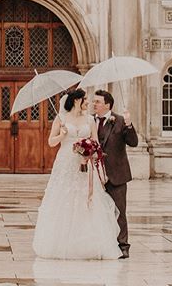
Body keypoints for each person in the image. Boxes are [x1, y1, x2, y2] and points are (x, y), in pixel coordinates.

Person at [32, 88, 122, 260]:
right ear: (76, 100)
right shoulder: (61, 119)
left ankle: (89, 243)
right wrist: (62, 135)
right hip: (66, 162)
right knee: (64, 198)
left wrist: (89, 152)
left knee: (86, 199)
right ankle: (61, 242)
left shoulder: (90, 119)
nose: (88, 102)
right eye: (85, 99)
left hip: (84, 164)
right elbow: (51, 142)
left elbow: (96, 142)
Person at [91, 89, 139, 259]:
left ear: (107, 105)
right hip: (95, 175)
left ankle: (123, 245)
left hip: (117, 174)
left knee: (120, 211)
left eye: (97, 102)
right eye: (93, 101)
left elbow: (133, 142)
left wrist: (129, 124)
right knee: (97, 211)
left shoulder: (119, 120)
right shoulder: (90, 121)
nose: (93, 104)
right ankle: (101, 243)